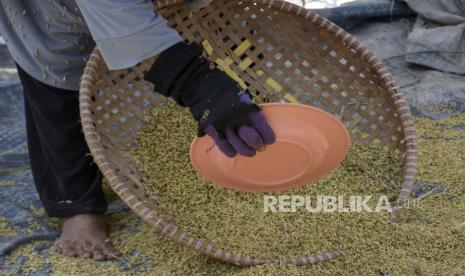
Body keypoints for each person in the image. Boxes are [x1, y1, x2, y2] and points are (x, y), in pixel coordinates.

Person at [0, 0, 275, 260]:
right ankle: (77, 205)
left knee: (212, 32)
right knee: (57, 64)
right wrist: (197, 83)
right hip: (50, 13)